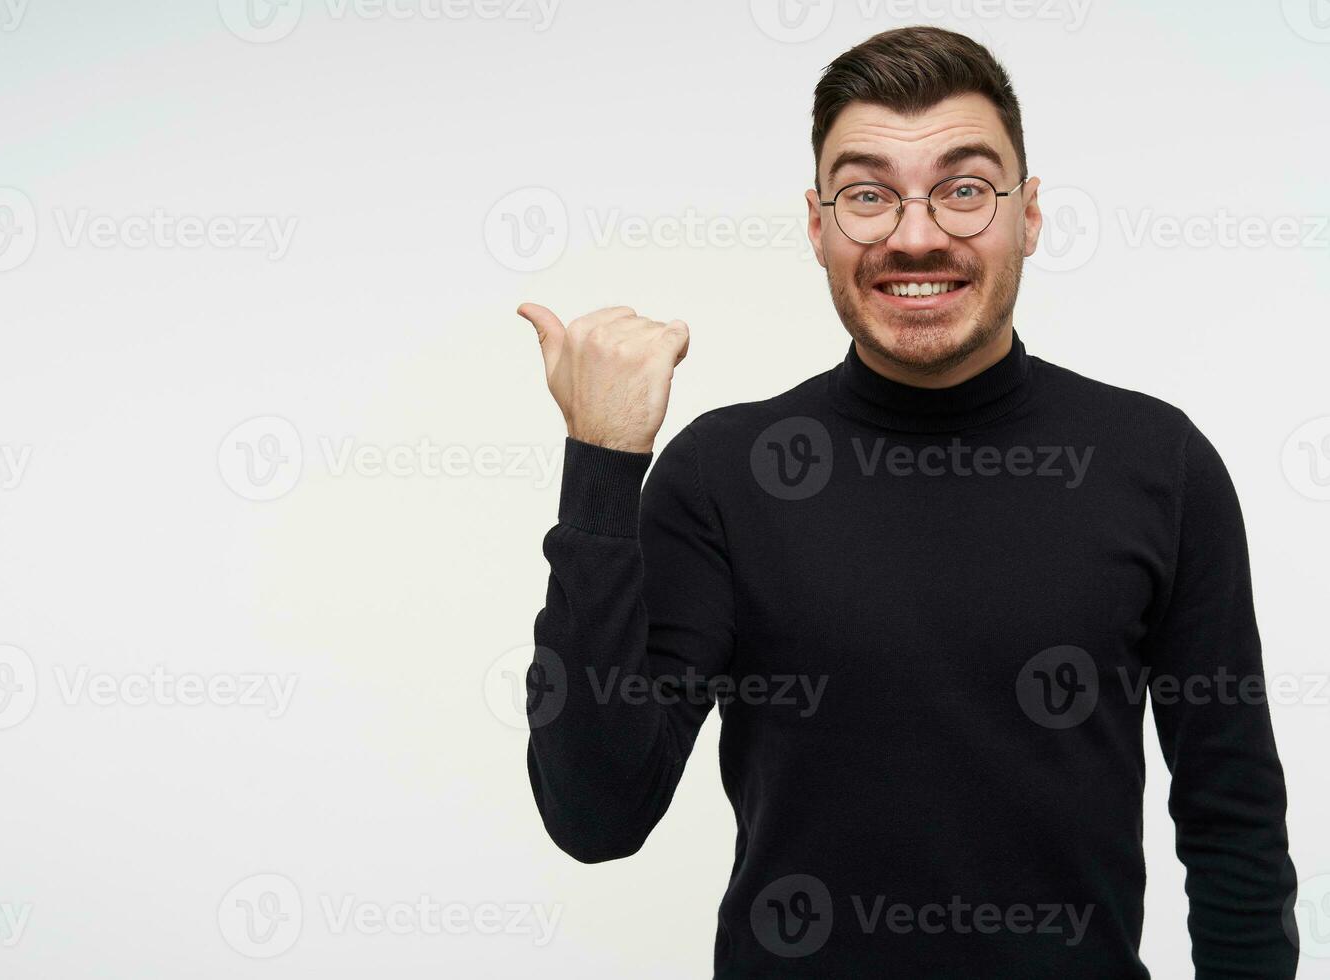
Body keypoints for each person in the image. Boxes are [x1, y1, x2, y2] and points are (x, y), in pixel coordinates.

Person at [514, 25, 1297, 978]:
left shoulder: (1158, 463)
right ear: (817, 223)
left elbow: (1234, 825)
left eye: (965, 189)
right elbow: (596, 816)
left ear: (1031, 215)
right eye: (867, 194)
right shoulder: (722, 475)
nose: (916, 234)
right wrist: (600, 465)